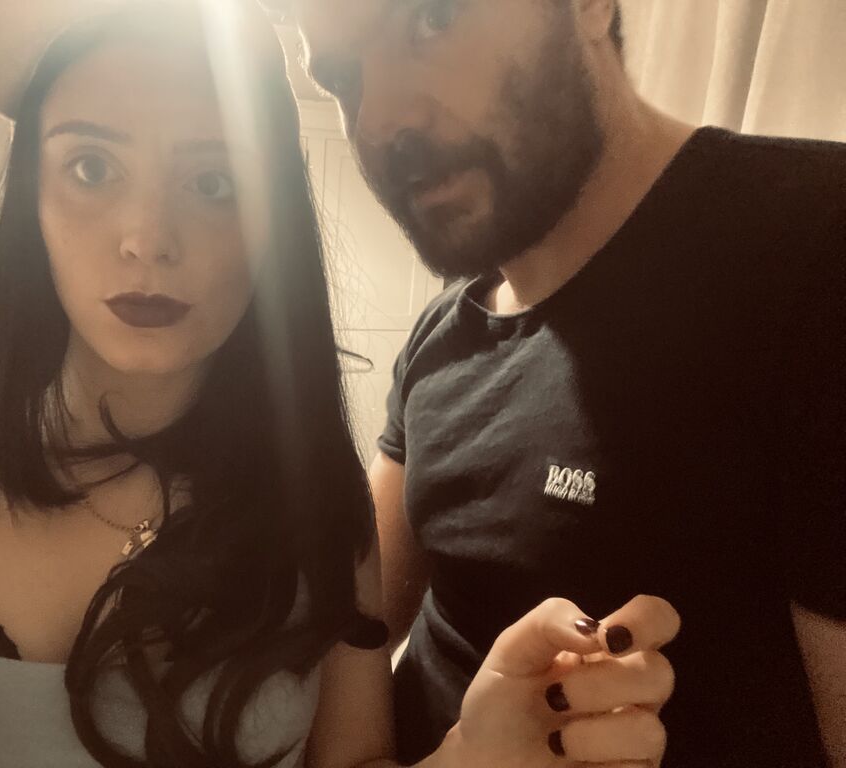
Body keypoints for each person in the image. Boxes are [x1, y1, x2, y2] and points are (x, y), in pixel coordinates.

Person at [0, 0, 681, 766]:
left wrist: (475, 754)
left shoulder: (321, 517)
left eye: (213, 181)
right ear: (29, 202)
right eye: (91, 168)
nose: (148, 235)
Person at [280, 0, 846, 766]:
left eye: (432, 19)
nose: (382, 122)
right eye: (343, 77)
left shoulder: (818, 248)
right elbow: (349, 627)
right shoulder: (441, 335)